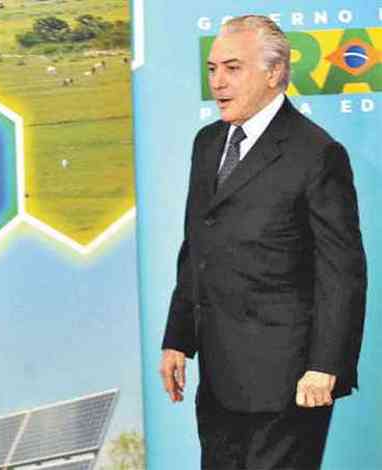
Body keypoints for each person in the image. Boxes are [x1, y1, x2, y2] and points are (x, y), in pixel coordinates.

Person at [159, 15, 366, 470]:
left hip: (289, 383)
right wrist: (177, 338)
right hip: (218, 380)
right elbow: (198, 246)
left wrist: (325, 366)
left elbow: (342, 271)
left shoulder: (317, 154)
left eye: (232, 68)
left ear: (274, 72)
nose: (217, 82)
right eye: (212, 69)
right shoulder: (208, 143)